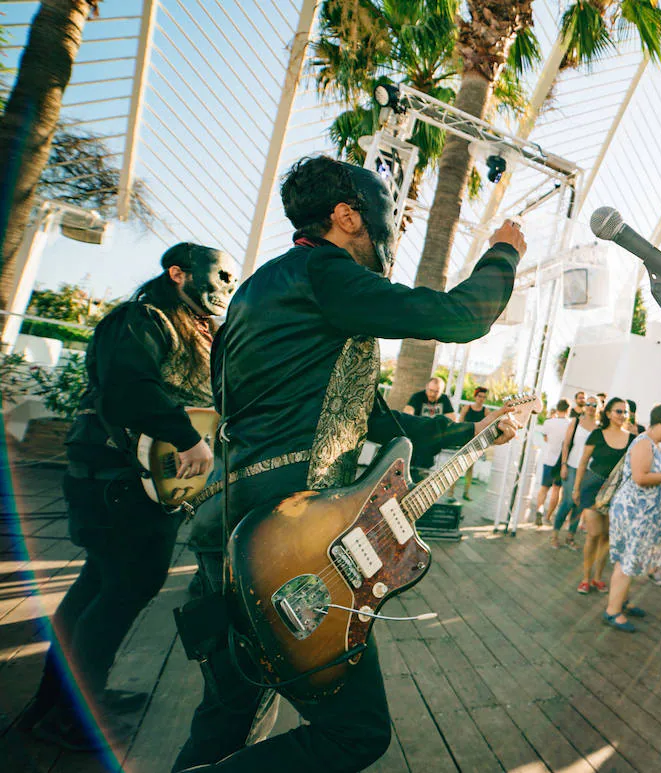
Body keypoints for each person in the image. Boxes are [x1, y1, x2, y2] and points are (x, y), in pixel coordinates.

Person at [172, 156, 521, 772]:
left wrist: (472, 429)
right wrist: (503, 253)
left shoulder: (258, 290)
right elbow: (460, 316)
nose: (392, 238)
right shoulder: (324, 270)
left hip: (230, 531)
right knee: (355, 733)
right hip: (290, 541)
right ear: (346, 216)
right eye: (387, 219)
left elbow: (378, 424)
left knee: (229, 714)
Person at [21, 244, 230, 750]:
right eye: (218, 273)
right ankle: (72, 717)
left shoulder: (194, 328)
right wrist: (187, 439)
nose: (227, 282)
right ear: (177, 273)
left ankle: (62, 703)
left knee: (99, 586)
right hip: (116, 483)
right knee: (122, 590)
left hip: (135, 485)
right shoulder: (142, 318)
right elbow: (126, 387)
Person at [603, 404, 661, 632]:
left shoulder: (654, 445)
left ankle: (621, 601)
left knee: (631, 561)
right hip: (634, 513)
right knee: (626, 562)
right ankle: (613, 611)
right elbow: (640, 477)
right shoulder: (644, 443)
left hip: (642, 515)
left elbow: (657, 476)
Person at [574, 397, 632, 594]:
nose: (622, 415)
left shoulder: (632, 438)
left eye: (625, 412)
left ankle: (598, 578)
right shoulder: (597, 434)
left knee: (607, 536)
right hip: (593, 489)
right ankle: (585, 578)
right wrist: (576, 488)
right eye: (618, 411)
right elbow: (583, 463)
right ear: (608, 413)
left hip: (618, 492)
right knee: (594, 534)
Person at [550, 395, 598, 548]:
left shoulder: (599, 428)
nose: (591, 406)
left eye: (594, 404)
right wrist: (563, 465)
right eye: (588, 403)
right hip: (571, 466)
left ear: (599, 408)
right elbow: (566, 444)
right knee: (568, 501)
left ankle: (570, 537)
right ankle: (555, 534)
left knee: (580, 503)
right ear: (584, 405)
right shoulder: (576, 422)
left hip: (588, 470)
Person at [530, 399, 571, 526]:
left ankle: (539, 509)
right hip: (562, 461)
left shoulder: (548, 422)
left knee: (544, 488)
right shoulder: (570, 424)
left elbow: (546, 439)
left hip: (549, 459)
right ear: (568, 409)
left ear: (557, 408)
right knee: (556, 490)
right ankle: (548, 516)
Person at [458, 386, 490, 502]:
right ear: (475, 397)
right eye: (479, 396)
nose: (481, 399)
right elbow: (460, 422)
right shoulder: (467, 408)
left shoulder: (486, 411)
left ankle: (466, 493)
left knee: (470, 468)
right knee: (457, 466)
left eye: (484, 397)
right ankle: (451, 492)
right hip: (464, 440)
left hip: (475, 442)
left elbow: (489, 426)